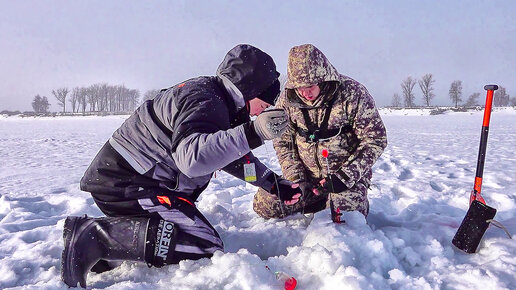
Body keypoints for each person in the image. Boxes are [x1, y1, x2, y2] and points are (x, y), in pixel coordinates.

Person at [61, 44, 302, 288]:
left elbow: (225, 153)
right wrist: (255, 132)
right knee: (203, 244)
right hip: (128, 184)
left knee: (191, 237)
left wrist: (271, 183)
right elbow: (193, 160)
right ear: (250, 89)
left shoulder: (217, 99)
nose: (265, 108)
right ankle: (97, 238)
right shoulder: (206, 99)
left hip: (130, 182)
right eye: (265, 100)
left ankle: (113, 249)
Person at [253, 44, 387, 223]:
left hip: (344, 179)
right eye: (299, 86)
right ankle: (317, 201)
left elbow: (375, 140)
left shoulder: (353, 94)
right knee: (264, 204)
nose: (305, 92)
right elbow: (283, 142)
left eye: (310, 85)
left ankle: (344, 199)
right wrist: (296, 179)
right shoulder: (287, 99)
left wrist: (345, 177)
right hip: (306, 178)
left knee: (344, 219)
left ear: (322, 77)